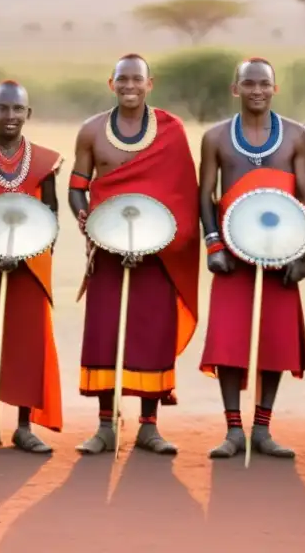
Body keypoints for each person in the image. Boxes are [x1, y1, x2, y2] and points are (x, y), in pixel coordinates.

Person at [69, 54, 200, 456]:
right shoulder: (91, 131)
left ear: (149, 84)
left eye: (136, 79)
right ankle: (106, 425)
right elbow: (78, 187)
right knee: (105, 334)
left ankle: (149, 426)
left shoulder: (171, 131)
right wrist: (87, 220)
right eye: (122, 79)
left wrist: (155, 239)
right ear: (111, 83)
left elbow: (183, 192)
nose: (129, 86)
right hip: (107, 250)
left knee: (150, 335)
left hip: (156, 255)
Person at [199, 57, 305, 459]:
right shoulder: (215, 137)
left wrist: (304, 254)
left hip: (284, 251)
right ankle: (233, 430)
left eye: (264, 83)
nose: (257, 91)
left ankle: (263, 429)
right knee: (228, 342)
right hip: (231, 255)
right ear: (236, 89)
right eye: (248, 84)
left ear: (275, 88)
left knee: (275, 341)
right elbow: (205, 196)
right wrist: (213, 245)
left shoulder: (297, 136)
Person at [0, 81, 64, 454]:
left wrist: (26, 252)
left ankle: (23, 426)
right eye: (2, 109)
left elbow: (51, 216)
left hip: (30, 268)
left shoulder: (45, 162)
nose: (10, 116)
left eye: (17, 109)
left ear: (28, 114)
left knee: (26, 344)